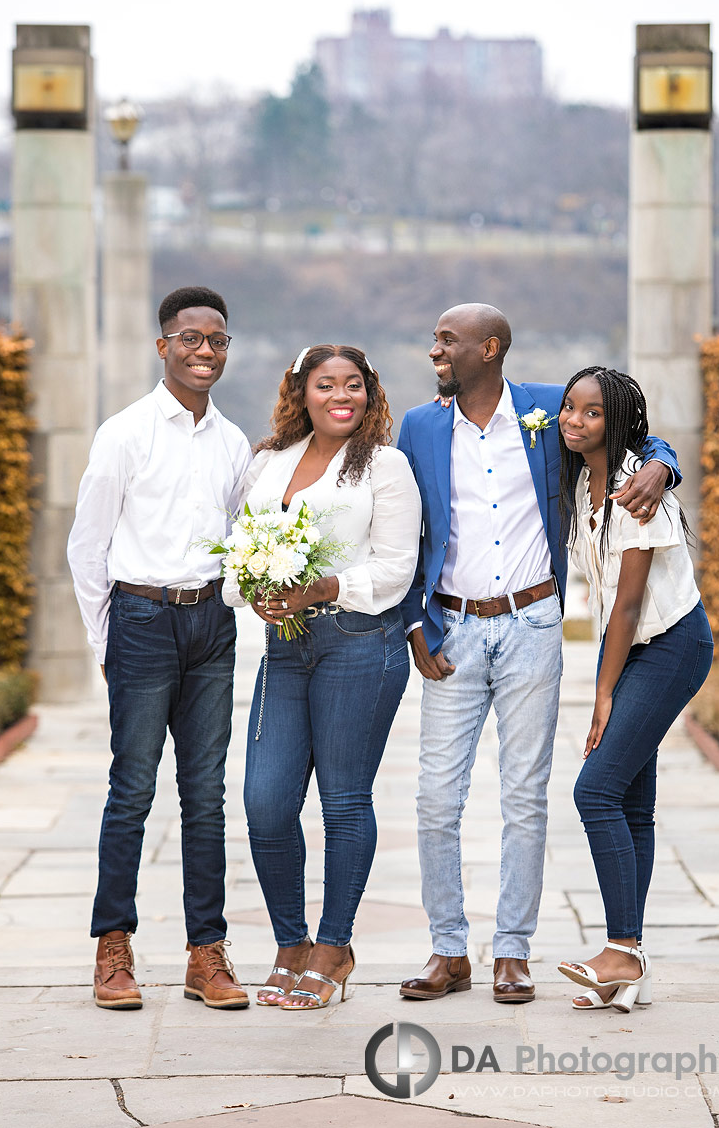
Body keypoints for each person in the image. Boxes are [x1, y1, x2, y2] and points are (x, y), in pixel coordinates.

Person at [396, 303, 681, 1004]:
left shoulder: (550, 409)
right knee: (436, 799)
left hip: (531, 622)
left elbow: (635, 429)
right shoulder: (420, 425)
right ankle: (447, 949)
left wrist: (663, 469)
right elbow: (401, 528)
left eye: (447, 339)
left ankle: (512, 952)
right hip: (452, 632)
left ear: (488, 349)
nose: (434, 348)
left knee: (524, 796)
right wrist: (413, 625)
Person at [68, 286, 252, 1011]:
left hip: (211, 625)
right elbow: (88, 546)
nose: (204, 351)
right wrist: (105, 642)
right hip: (141, 620)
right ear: (163, 346)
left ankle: (205, 953)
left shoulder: (233, 442)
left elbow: (240, 544)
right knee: (133, 790)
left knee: (206, 797)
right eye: (190, 338)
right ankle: (113, 947)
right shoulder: (125, 433)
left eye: (217, 339)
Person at [222, 344, 421, 1010]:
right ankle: (289, 942)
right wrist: (252, 590)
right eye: (326, 384)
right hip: (285, 645)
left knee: (342, 801)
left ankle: (333, 949)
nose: (343, 395)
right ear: (300, 392)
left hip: (359, 643)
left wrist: (324, 586)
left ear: (369, 392)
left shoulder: (384, 467)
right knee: (266, 801)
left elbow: (396, 569)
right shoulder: (267, 462)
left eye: (354, 384)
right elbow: (238, 553)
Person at [556, 367, 712, 1011]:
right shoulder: (582, 472)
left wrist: (602, 695)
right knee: (629, 804)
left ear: (617, 422)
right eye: (569, 408)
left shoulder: (636, 489)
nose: (573, 420)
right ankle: (627, 964)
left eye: (591, 413)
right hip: (636, 645)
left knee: (594, 791)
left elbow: (625, 607)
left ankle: (622, 947)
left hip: (671, 644)